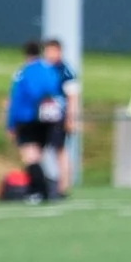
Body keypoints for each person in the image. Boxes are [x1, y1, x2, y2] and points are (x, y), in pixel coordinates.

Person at [5, 40, 67, 202]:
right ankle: (39, 189)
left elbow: (16, 99)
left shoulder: (23, 72)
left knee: (30, 157)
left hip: (27, 118)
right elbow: (55, 92)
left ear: (25, 54)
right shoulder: (49, 70)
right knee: (37, 156)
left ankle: (41, 191)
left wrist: (10, 124)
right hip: (48, 120)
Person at [41, 37, 81, 196]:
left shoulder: (65, 71)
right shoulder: (42, 69)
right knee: (37, 151)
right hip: (41, 117)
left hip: (58, 117)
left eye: (53, 50)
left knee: (60, 150)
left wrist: (70, 119)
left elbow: (72, 97)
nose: (50, 54)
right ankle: (41, 183)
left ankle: (63, 186)